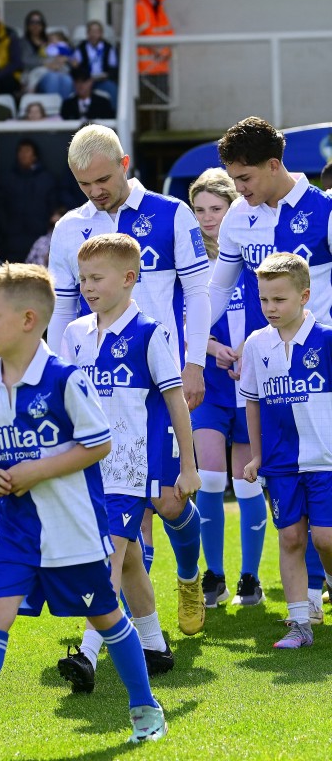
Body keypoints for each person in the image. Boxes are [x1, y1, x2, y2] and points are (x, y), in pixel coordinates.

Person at [0, 263, 167, 758]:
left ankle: (145, 707)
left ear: (27, 320)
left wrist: (37, 471)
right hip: (15, 529)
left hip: (73, 530)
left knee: (106, 615)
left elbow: (100, 444)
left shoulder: (65, 379)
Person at [48, 124, 211, 637]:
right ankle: (134, 626)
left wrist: (195, 361)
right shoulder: (69, 228)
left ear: (123, 163)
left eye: (101, 179)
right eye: (83, 185)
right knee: (113, 506)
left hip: (157, 380)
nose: (94, 191)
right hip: (99, 387)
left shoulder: (172, 213)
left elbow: (200, 289)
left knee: (167, 500)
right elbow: (60, 309)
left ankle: (188, 576)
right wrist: (50, 378)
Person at [59, 233, 197, 693]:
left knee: (109, 556)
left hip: (131, 469)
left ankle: (88, 655)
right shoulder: (74, 334)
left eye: (97, 277)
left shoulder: (149, 332)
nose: (87, 286)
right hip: (86, 468)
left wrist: (188, 466)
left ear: (129, 279)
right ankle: (155, 647)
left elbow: (176, 403)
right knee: (131, 558)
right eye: (82, 278)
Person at [209, 115, 332, 619]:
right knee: (292, 501)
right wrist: (195, 353)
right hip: (274, 369)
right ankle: (304, 608)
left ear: (275, 165)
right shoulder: (241, 216)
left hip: (322, 367)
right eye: (234, 179)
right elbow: (218, 286)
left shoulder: (323, 211)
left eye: (245, 178)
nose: (238, 189)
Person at [241, 253, 332, 649]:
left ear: (304, 296)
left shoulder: (327, 340)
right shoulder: (256, 344)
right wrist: (257, 456)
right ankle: (300, 624)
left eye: (278, 300)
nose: (269, 308)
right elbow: (253, 402)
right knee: (292, 537)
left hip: (326, 459)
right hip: (280, 465)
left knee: (326, 539)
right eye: (263, 300)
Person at [188, 169, 267, 608]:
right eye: (199, 210)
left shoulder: (252, 255)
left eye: (215, 208)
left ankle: (250, 579)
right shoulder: (192, 261)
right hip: (212, 385)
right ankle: (213, 576)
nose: (207, 217)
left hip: (253, 382)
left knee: (249, 481)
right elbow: (185, 322)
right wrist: (214, 349)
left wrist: (248, 351)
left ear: (233, 207)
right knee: (212, 478)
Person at [0, 138, 57, 262]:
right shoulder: (8, 179)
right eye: (21, 151)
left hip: (38, 238)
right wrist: (5, 231)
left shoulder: (46, 179)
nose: (23, 155)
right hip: (12, 241)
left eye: (27, 151)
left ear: (35, 155)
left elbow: (53, 207)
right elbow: (0, 208)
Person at [136, 0, 173, 131]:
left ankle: (161, 132)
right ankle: (147, 133)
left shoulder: (159, 7)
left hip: (161, 65)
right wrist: (158, 51)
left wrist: (166, 51)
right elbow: (142, 33)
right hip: (146, 68)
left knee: (163, 103)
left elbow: (168, 32)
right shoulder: (139, 7)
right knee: (147, 104)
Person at [73, 19, 119, 111]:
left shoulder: (108, 48)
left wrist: (106, 75)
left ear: (101, 33)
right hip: (85, 80)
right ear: (87, 33)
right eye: (91, 31)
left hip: (103, 80)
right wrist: (87, 78)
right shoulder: (80, 48)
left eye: (97, 31)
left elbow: (113, 68)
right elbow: (76, 67)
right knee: (76, 88)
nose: (94, 34)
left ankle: (113, 114)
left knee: (113, 88)